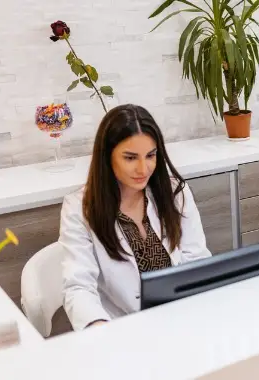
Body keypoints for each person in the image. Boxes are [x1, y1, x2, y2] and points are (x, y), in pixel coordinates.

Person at [59, 104, 211, 331]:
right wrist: (99, 329)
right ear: (107, 157)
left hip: (182, 322)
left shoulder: (174, 192)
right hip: (123, 332)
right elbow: (78, 286)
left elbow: (196, 262)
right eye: (130, 158)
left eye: (151, 155)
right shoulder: (80, 209)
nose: (143, 168)